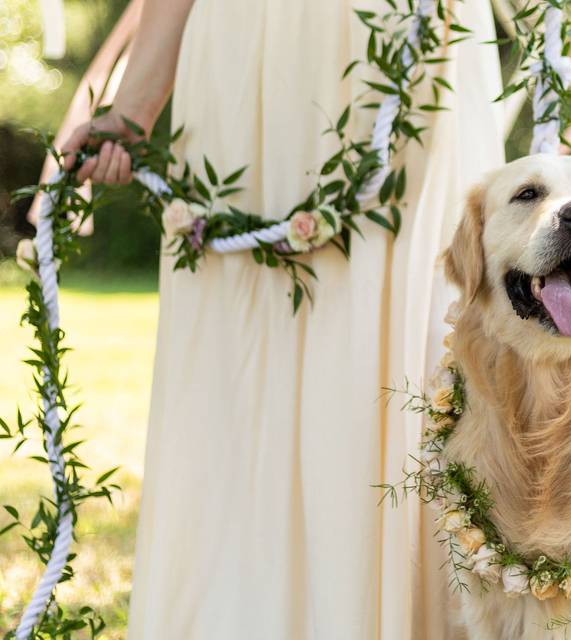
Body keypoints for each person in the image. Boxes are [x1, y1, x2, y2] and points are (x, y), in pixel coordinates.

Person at [59, 0, 505, 637]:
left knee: (405, 325)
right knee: (240, 344)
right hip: (249, 59)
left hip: (408, 45)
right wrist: (134, 106)